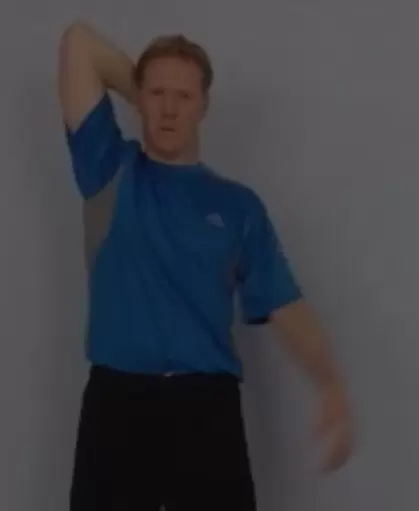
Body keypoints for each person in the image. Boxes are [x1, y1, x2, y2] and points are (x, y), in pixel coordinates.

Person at [57, 19, 354, 511]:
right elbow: (78, 43)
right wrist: (141, 95)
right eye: (157, 94)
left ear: (205, 106)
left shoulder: (238, 207)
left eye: (184, 96)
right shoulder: (109, 171)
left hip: (206, 411)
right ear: (139, 97)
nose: (169, 108)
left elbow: (286, 304)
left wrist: (331, 382)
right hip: (117, 406)